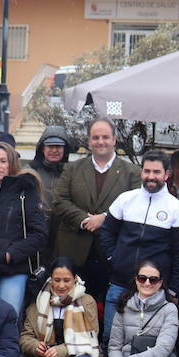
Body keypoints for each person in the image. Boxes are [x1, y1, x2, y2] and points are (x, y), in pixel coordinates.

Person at [100, 149, 179, 334]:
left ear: (166, 174)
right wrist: (113, 258)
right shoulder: (125, 199)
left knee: (145, 344)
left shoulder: (176, 208)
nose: (151, 176)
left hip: (155, 290)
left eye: (156, 172)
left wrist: (173, 290)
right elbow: (106, 232)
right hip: (120, 284)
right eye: (147, 171)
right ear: (141, 172)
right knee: (110, 339)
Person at [52, 118, 137, 301]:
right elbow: (59, 201)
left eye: (105, 137)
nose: (100, 141)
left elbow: (135, 206)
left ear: (114, 139)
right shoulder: (73, 169)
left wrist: (105, 218)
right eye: (95, 137)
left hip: (113, 255)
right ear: (89, 141)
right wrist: (85, 220)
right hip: (75, 252)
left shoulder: (132, 173)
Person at [0, 140, 49, 311]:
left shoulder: (25, 190)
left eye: (3, 161)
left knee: (9, 317)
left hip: (13, 269)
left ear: (11, 163)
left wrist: (12, 253)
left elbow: (40, 234)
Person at [29, 125, 71, 264]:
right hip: (34, 236)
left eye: (58, 147)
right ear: (42, 148)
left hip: (62, 238)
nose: (54, 150)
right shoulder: (30, 172)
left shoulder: (73, 173)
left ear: (65, 149)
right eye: (50, 146)